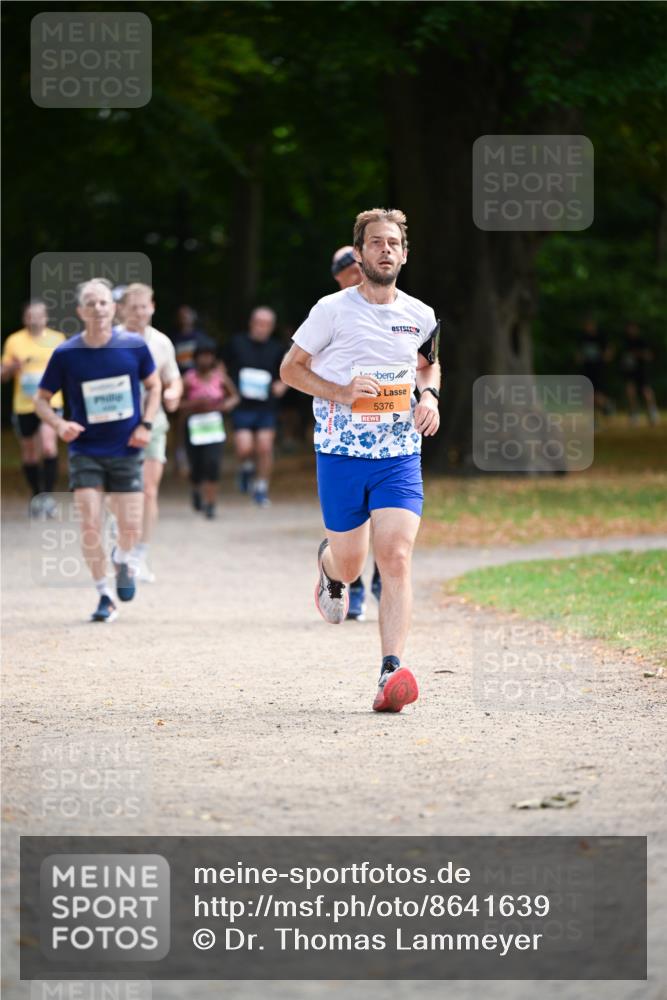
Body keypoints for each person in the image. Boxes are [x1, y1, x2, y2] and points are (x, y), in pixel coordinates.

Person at [280, 208, 441, 713]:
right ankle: (329, 564)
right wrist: (341, 392)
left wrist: (430, 397)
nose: (386, 250)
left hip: (398, 454)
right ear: (360, 253)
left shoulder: (421, 314)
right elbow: (290, 369)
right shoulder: (332, 309)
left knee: (394, 556)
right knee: (351, 567)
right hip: (341, 453)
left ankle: (390, 670)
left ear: (405, 253)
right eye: (376, 242)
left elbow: (428, 363)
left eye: (394, 243)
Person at [34, 278, 160, 623]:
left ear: (113, 307)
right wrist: (60, 425)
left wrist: (145, 424)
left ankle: (122, 558)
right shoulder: (66, 354)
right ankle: (104, 594)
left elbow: (154, 386)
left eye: (103, 302)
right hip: (86, 449)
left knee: (130, 526)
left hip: (126, 448)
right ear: (80, 311)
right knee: (90, 523)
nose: (98, 308)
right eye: (90, 303)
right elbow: (41, 401)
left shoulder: (134, 346)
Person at [331, 245, 382, 621]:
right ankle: (355, 585)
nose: (358, 273)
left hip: (390, 431)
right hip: (345, 433)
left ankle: (381, 580)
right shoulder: (329, 311)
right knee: (354, 522)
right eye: (350, 270)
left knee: (388, 516)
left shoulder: (395, 308)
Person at [120, 283, 183, 581]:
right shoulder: (111, 341)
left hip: (153, 423)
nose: (140, 312)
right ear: (122, 309)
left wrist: (173, 393)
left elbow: (174, 379)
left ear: (153, 307)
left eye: (145, 306)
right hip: (116, 426)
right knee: (118, 492)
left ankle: (139, 555)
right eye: (134, 307)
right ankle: (120, 544)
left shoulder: (161, 343)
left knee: (147, 491)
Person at [1, 300, 65, 516]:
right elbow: (3, 375)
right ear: (24, 318)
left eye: (39, 315)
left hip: (50, 403)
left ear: (46, 318)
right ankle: (36, 495)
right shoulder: (14, 341)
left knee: (48, 446)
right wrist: (11, 367)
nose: (34, 319)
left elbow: (68, 370)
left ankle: (47, 497)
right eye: (30, 315)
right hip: (24, 404)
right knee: (29, 453)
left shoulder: (57, 340)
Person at [224, 307, 287, 507]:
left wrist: (282, 385)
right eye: (259, 323)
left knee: (265, 446)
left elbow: (289, 371)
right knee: (244, 448)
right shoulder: (237, 343)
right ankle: (246, 466)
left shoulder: (277, 348)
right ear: (251, 323)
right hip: (242, 405)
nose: (262, 328)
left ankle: (261, 487)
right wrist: (230, 391)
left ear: (272, 327)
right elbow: (220, 368)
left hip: (266, 406)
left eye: (267, 324)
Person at [180, 339, 240, 518]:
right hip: (193, 426)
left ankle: (211, 503)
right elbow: (177, 404)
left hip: (214, 426)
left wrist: (225, 405)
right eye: (202, 355)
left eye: (209, 355)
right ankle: (196, 489)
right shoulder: (188, 379)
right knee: (197, 464)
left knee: (212, 463)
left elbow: (234, 396)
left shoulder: (220, 377)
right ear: (196, 358)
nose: (206, 359)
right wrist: (194, 404)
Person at [170, 305, 207, 476]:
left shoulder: (200, 337)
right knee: (179, 420)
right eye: (182, 315)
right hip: (178, 382)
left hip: (197, 383)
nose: (185, 318)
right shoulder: (174, 338)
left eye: (188, 315)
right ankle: (180, 454)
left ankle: (199, 457)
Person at [620, 321, 660, 425]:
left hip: (642, 371)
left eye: (632, 328)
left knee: (646, 391)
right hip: (631, 372)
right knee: (630, 391)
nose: (630, 330)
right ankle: (634, 414)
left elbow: (649, 356)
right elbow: (624, 358)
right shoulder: (626, 342)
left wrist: (637, 354)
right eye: (629, 328)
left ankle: (652, 412)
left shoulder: (642, 341)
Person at [576, 315, 614, 419]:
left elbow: (609, 351)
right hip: (587, 370)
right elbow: (579, 353)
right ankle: (595, 418)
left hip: (599, 370)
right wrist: (579, 358)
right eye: (586, 325)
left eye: (589, 324)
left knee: (596, 396)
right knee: (589, 396)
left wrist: (604, 358)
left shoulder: (601, 336)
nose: (587, 327)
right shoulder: (583, 337)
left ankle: (606, 405)